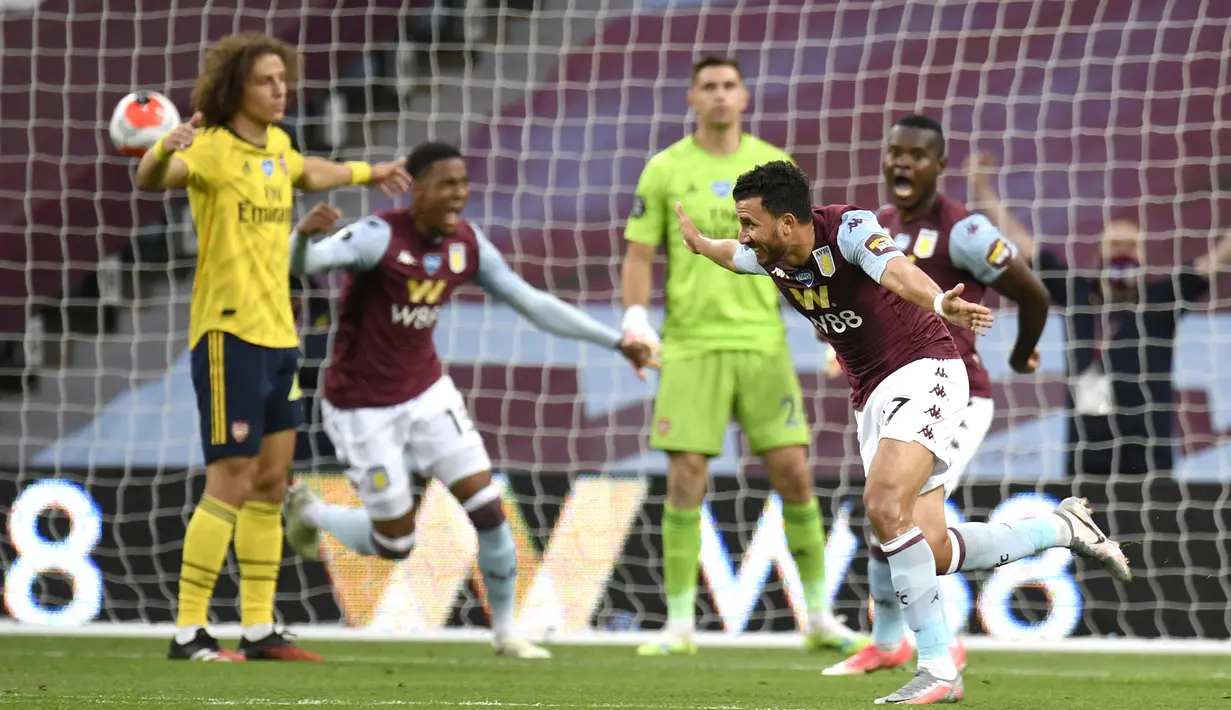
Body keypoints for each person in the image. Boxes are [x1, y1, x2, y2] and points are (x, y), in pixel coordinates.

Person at [677, 160, 1131, 705]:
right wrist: (702, 243)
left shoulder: (847, 228)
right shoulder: (768, 255)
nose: (744, 234)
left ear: (790, 222)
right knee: (932, 548)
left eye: (750, 222)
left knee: (884, 504)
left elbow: (895, 270)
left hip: (926, 369)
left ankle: (938, 669)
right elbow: (735, 256)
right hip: (871, 396)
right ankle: (1062, 528)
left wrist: (940, 301)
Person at [280, 142, 656, 658]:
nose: (458, 193)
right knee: (395, 543)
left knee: (490, 513)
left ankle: (506, 632)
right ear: (417, 188)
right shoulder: (377, 236)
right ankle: (312, 512)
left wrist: (617, 342)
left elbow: (531, 302)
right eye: (446, 183)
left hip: (428, 395)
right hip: (361, 406)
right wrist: (302, 239)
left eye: (462, 182)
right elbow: (303, 263)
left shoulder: (466, 244)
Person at [135, 31, 411, 662]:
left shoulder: (278, 147)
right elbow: (155, 179)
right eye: (266, 80)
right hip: (228, 335)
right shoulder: (210, 149)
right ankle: (189, 631)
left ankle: (257, 628)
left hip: (279, 335)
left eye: (282, 78)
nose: (280, 88)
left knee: (270, 481)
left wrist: (373, 171)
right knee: (228, 481)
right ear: (235, 89)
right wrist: (159, 148)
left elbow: (312, 170)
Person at [620, 55, 866, 657]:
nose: (721, 95)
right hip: (691, 345)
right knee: (685, 476)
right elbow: (638, 255)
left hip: (762, 342)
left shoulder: (770, 168)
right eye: (709, 86)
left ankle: (818, 616)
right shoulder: (665, 169)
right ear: (692, 98)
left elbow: (804, 252)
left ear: (745, 97)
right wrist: (634, 320)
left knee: (793, 471)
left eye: (730, 85)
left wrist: (824, 324)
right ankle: (679, 623)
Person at [822, 115, 1053, 677]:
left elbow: (1034, 295)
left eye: (917, 155)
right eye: (894, 152)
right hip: (888, 384)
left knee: (908, 519)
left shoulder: (965, 231)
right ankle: (887, 642)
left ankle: (942, 644)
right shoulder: (871, 226)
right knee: (885, 513)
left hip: (957, 391)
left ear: (939, 165)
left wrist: (1023, 354)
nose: (902, 163)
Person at [967, 153, 1231, 477]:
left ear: (1145, 257)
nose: (1123, 252)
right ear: (1097, 255)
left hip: (1151, 460)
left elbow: (1216, 260)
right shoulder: (1077, 294)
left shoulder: (1162, 300)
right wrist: (981, 188)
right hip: (1086, 458)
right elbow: (1023, 247)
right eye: (1115, 245)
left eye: (1132, 247)